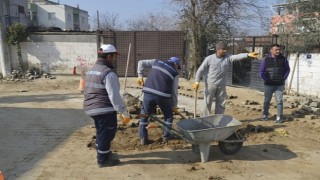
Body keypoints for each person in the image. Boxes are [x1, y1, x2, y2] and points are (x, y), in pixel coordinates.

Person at [83, 44, 131, 167]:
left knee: (101, 132)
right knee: (107, 133)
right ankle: (103, 160)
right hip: (103, 108)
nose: (115, 59)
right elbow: (114, 95)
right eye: (114, 56)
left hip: (91, 106)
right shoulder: (108, 73)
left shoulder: (92, 69)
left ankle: (104, 152)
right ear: (109, 56)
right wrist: (123, 112)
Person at [193, 41, 258, 116]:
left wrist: (247, 54)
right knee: (207, 102)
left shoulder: (227, 57)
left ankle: (219, 118)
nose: (225, 51)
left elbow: (236, 56)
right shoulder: (209, 59)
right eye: (223, 49)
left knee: (221, 103)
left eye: (226, 49)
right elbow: (200, 70)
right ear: (218, 50)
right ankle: (204, 118)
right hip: (210, 84)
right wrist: (196, 81)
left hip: (221, 84)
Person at [136, 57, 181, 145]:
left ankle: (143, 138)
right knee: (168, 115)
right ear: (176, 64)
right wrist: (174, 106)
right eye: (178, 67)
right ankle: (166, 136)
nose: (178, 69)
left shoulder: (156, 62)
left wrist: (140, 76)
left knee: (144, 114)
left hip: (148, 92)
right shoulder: (175, 73)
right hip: (163, 96)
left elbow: (141, 62)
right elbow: (174, 91)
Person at [259, 44, 290, 123]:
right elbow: (261, 71)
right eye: (276, 50)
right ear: (271, 50)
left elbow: (287, 70)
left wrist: (284, 78)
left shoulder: (283, 59)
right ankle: (265, 115)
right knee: (267, 100)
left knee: (279, 101)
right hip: (268, 84)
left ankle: (279, 117)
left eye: (279, 50)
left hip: (279, 85)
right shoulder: (266, 59)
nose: (278, 51)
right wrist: (265, 79)